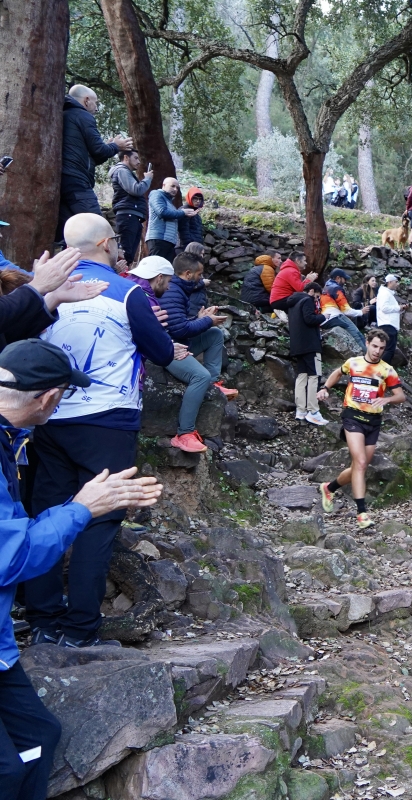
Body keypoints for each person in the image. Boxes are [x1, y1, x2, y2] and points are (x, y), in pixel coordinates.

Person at [0, 339, 162, 800]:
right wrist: (80, 509)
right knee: (6, 771)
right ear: (50, 398)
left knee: (39, 737)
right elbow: (9, 558)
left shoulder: (11, 439)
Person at [24, 213, 176, 649]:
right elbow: (163, 353)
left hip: (46, 417)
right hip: (108, 418)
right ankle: (81, 628)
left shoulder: (45, 291)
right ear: (108, 244)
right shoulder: (127, 291)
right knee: (99, 520)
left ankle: (43, 622)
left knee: (47, 516)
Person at [318, 330, 405, 529]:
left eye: (382, 348)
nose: (377, 351)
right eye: (374, 346)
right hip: (352, 417)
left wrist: (388, 398)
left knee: (360, 466)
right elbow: (338, 372)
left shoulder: (387, 370)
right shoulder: (354, 363)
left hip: (373, 421)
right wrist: (325, 388)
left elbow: (401, 396)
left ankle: (328, 488)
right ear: (367, 343)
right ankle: (362, 513)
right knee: (361, 461)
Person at [160, 251, 237, 452]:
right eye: (199, 274)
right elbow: (178, 330)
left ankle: (213, 383)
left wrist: (200, 319)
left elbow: (179, 324)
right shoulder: (173, 292)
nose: (201, 278)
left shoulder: (180, 289)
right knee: (199, 375)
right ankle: (184, 433)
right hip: (167, 349)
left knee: (214, 335)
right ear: (188, 274)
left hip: (180, 342)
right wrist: (205, 321)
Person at [58, 85, 132, 241]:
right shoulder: (83, 116)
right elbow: (99, 150)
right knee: (98, 228)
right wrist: (116, 146)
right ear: (86, 100)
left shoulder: (66, 115)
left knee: (68, 234)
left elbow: (93, 157)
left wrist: (109, 147)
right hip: (78, 182)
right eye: (95, 103)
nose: (96, 108)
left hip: (64, 181)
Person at [288, 282, 327, 425]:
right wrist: (323, 316)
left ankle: (301, 410)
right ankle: (313, 411)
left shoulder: (293, 303)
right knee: (314, 376)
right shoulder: (307, 300)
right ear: (311, 291)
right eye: (317, 296)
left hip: (297, 346)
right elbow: (310, 319)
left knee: (302, 377)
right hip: (311, 345)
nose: (317, 300)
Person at [108, 149, 153, 263]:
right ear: (126, 158)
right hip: (128, 215)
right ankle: (120, 276)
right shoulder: (122, 171)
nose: (139, 162)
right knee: (125, 253)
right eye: (136, 158)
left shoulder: (126, 172)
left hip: (132, 215)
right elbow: (136, 190)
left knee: (129, 254)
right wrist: (147, 179)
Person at [145, 177, 196, 260]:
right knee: (155, 267)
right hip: (159, 239)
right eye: (172, 186)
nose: (175, 189)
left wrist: (185, 215)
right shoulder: (156, 194)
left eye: (177, 188)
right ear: (163, 185)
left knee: (165, 270)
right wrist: (183, 212)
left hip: (168, 241)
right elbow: (162, 212)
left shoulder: (169, 202)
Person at [320, 269, 367, 350]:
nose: (345, 281)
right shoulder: (336, 289)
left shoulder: (326, 286)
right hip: (334, 317)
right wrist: (361, 312)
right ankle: (367, 355)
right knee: (357, 335)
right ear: (338, 278)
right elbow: (346, 310)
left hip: (325, 318)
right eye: (344, 279)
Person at [375, 274, 404, 364]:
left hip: (388, 324)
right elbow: (384, 308)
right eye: (396, 282)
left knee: (388, 349)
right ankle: (381, 370)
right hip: (388, 324)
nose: (397, 284)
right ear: (390, 282)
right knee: (389, 349)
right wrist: (398, 308)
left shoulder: (386, 293)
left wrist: (401, 309)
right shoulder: (385, 293)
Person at [177, 188, 205, 253]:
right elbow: (181, 228)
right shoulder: (183, 210)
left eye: (200, 199)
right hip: (184, 248)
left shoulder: (196, 215)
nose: (198, 201)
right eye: (195, 198)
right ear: (190, 198)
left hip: (194, 248)